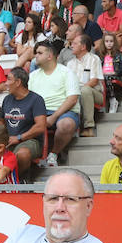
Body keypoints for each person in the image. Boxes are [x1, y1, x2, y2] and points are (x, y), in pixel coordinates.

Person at [27, 41, 81, 169]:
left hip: (63, 111)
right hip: (39, 112)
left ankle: (53, 154)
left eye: (40, 53)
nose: (36, 56)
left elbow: (72, 99)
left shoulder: (66, 72)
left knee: (66, 124)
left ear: (50, 56)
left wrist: (54, 117)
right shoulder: (33, 75)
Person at [0, 66, 49, 179]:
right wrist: (0, 137)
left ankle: (19, 180)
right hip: (9, 140)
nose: (6, 83)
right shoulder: (7, 99)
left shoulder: (36, 100)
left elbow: (40, 126)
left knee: (22, 154)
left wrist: (19, 137)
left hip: (30, 140)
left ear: (18, 82)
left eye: (9, 79)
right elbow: (1, 121)